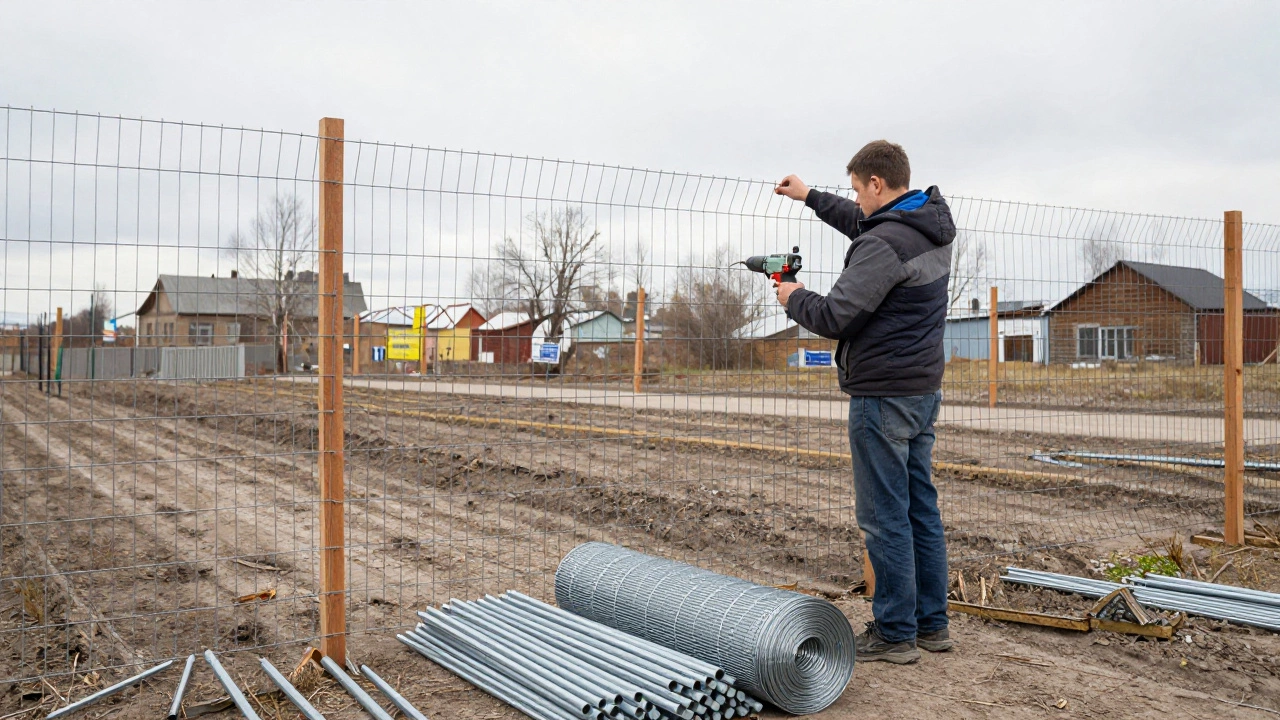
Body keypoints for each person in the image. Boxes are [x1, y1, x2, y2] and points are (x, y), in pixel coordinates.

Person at [773, 140, 956, 664]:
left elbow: (836, 316)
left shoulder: (885, 245)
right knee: (920, 508)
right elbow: (864, 223)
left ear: (877, 184)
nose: (855, 200)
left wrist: (792, 298)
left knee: (884, 516)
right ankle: (931, 625)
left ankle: (895, 632)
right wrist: (810, 196)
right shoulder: (924, 228)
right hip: (921, 391)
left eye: (858, 189)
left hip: (881, 395)